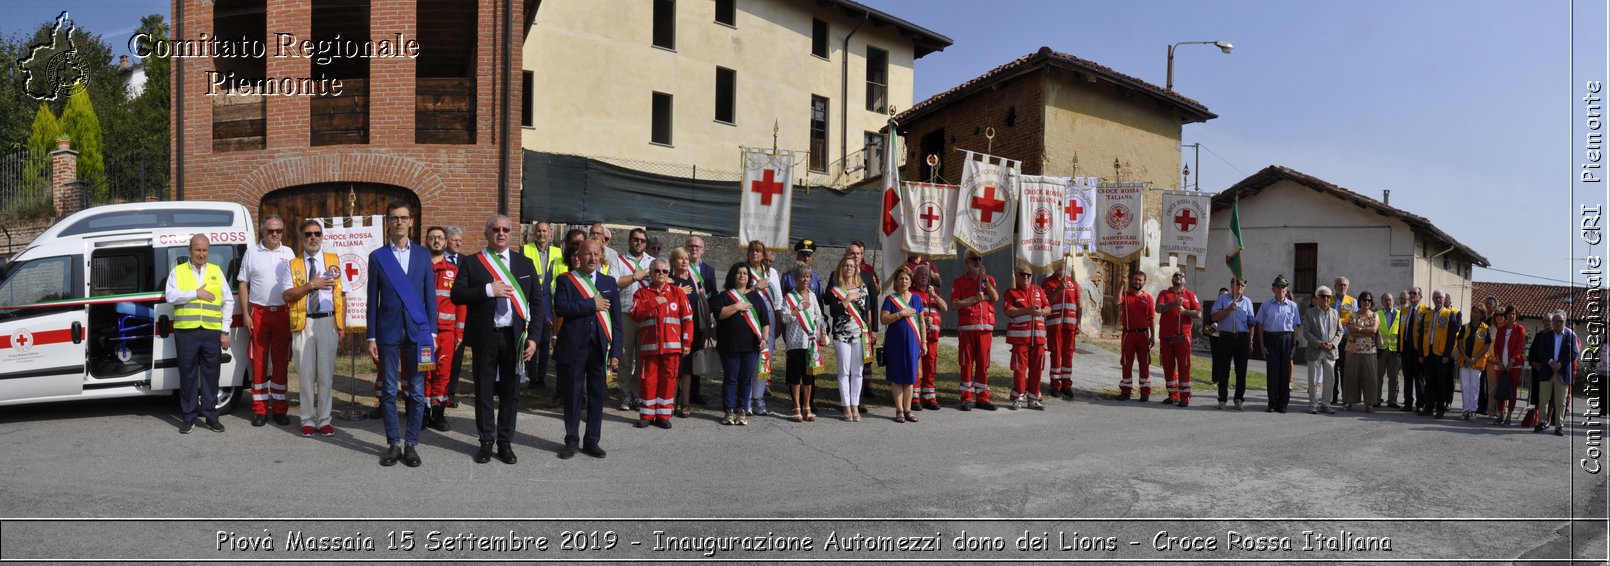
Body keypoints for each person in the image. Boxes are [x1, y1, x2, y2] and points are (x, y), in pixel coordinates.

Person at [451, 215, 544, 464]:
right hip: (486, 337)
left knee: (510, 391)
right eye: (495, 229)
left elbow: (537, 302)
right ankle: (485, 441)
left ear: (511, 233)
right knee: (483, 390)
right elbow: (457, 294)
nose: (501, 233)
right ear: (487, 234)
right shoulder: (472, 263)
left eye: (505, 230)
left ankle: (504, 441)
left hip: (515, 338)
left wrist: (534, 338)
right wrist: (487, 290)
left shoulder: (524, 264)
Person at [367, 201, 436, 467]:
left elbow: (430, 296)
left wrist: (434, 332)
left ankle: (412, 444)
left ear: (411, 222)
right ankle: (393, 444)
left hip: (419, 333)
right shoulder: (377, 257)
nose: (399, 222)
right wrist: (371, 336)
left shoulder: (422, 255)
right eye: (394, 218)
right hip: (388, 332)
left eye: (403, 218)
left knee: (417, 392)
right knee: (388, 391)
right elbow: (373, 299)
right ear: (388, 222)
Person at [553, 238, 621, 458]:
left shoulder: (609, 283)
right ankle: (571, 440)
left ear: (600, 257)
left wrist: (616, 352)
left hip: (600, 347)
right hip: (574, 346)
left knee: (597, 395)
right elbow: (561, 308)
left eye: (596, 254)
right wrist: (591, 304)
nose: (592, 258)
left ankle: (592, 440)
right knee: (573, 396)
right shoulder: (566, 281)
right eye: (588, 254)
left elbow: (617, 321)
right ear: (578, 257)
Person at [278, 219, 345, 437]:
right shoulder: (293, 264)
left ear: (322, 236)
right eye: (308, 234)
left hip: (327, 321)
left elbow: (342, 295)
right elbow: (287, 295)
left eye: (316, 233)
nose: (313, 238)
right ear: (301, 238)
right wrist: (311, 285)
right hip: (303, 322)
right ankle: (307, 418)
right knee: (305, 374)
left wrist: (341, 324)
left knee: (325, 374)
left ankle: (324, 419)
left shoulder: (333, 261)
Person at [166, 234, 233, 434]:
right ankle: (188, 417)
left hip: (212, 333)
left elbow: (228, 301)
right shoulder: (177, 272)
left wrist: (225, 331)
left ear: (208, 251)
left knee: (211, 375)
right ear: (190, 250)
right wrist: (196, 293)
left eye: (205, 250)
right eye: (198, 249)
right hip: (187, 332)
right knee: (187, 375)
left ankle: (212, 417)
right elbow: (170, 296)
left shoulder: (216, 271)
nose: (201, 254)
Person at [238, 214, 295, 427]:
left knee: (281, 362)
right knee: (259, 362)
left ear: (283, 232)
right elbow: (243, 283)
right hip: (259, 313)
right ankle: (259, 410)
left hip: (282, 313)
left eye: (278, 231)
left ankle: (279, 409)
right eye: (270, 230)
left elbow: (296, 284)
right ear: (262, 231)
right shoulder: (252, 253)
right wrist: (245, 313)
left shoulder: (288, 253)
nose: (274, 234)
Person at [630, 258, 693, 429]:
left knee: (668, 381)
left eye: (665, 271)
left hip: (672, 348)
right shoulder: (642, 293)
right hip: (649, 347)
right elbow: (634, 314)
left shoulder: (677, 293)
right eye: (657, 271)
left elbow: (688, 319)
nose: (661, 274)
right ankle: (647, 415)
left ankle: (663, 415)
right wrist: (652, 303)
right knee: (648, 381)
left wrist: (687, 342)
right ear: (650, 273)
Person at [420, 226, 465, 432]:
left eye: (440, 238)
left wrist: (459, 332)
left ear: (445, 242)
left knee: (443, 373)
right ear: (426, 241)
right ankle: (422, 412)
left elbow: (461, 304)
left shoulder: (455, 272)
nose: (436, 241)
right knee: (424, 372)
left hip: (447, 333)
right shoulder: (419, 268)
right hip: (423, 332)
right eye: (432, 238)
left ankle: (438, 413)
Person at [714, 262, 769, 425]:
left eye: (745, 273)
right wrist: (737, 306)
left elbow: (765, 321)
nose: (742, 275)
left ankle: (742, 409)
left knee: (745, 379)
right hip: (729, 345)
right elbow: (718, 314)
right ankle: (728, 411)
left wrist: (764, 339)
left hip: (751, 346)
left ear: (749, 277)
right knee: (731, 378)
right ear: (732, 276)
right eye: (738, 273)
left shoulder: (756, 297)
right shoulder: (724, 296)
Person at [611, 228, 656, 412]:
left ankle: (637, 394)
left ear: (646, 244)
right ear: (630, 241)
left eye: (642, 240)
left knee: (642, 358)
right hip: (625, 314)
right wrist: (634, 277)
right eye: (635, 239)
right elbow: (612, 283)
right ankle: (626, 393)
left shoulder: (652, 262)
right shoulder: (618, 261)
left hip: (646, 316)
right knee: (624, 357)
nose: (639, 243)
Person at [950, 249, 999, 410]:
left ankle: (983, 398)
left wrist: (984, 280)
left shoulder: (989, 279)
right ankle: (966, 398)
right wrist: (972, 299)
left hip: (985, 329)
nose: (977, 262)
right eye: (974, 260)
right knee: (966, 363)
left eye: (979, 259)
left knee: (983, 365)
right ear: (967, 263)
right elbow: (954, 304)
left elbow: (995, 297)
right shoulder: (959, 281)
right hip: (967, 328)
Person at [825, 256, 873, 421]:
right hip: (841, 334)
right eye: (845, 265)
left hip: (859, 334)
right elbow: (833, 311)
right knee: (844, 371)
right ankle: (846, 406)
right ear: (841, 268)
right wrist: (846, 300)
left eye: (852, 266)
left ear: (856, 268)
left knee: (858, 372)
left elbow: (867, 311)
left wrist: (869, 332)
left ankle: (855, 405)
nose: (849, 268)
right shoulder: (836, 288)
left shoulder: (863, 287)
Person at [779, 265, 827, 423]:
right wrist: (797, 309)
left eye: (808, 276)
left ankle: (807, 407)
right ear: (796, 279)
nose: (805, 279)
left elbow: (819, 317)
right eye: (802, 276)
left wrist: (823, 332)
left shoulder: (813, 296)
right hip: (795, 342)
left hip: (810, 343)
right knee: (795, 376)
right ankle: (796, 406)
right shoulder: (789, 297)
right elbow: (784, 318)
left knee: (809, 377)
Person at [668, 247, 710, 418]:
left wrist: (708, 322)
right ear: (673, 261)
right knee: (674, 367)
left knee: (687, 368)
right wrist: (678, 291)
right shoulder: (670, 280)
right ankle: (670, 402)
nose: (684, 261)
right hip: (673, 329)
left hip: (691, 329)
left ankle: (685, 403)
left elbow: (703, 299)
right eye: (680, 258)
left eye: (686, 258)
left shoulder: (694, 278)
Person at [522, 221, 564, 390]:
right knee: (532, 339)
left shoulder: (557, 252)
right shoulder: (526, 250)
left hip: (549, 300)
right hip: (531, 298)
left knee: (546, 341)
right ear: (534, 233)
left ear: (550, 233)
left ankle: (542, 377)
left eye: (544, 231)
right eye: (538, 231)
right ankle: (532, 377)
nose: (541, 234)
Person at [881, 266, 925, 422]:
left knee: (910, 376)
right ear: (896, 281)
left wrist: (924, 343)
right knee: (897, 376)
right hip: (895, 343)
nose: (904, 281)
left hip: (913, 343)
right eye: (901, 278)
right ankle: (899, 410)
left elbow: (921, 322)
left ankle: (908, 410)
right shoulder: (890, 299)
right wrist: (900, 314)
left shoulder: (917, 299)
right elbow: (883, 319)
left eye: (906, 278)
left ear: (911, 281)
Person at [743, 240, 783, 415]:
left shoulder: (772, 272)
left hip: (769, 321)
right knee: (750, 362)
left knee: (764, 360)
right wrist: (755, 287)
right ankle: (746, 398)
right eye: (752, 251)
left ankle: (758, 397)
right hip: (750, 320)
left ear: (763, 254)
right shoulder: (742, 270)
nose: (755, 254)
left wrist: (779, 319)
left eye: (758, 251)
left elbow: (778, 299)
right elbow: (737, 293)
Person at [1003, 262, 1049, 410]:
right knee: (1020, 370)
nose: (1026, 278)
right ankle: (1018, 397)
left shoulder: (1038, 289)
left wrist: (1041, 311)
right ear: (1016, 276)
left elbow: (1048, 308)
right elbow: (1009, 310)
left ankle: (1034, 398)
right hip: (1020, 339)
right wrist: (1028, 310)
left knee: (1037, 369)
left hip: (1039, 338)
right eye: (1022, 274)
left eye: (1029, 275)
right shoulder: (1011, 292)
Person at [1253, 275, 1301, 413]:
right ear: (1273, 289)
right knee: (1273, 373)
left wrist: (1294, 345)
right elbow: (1260, 325)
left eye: (1283, 287)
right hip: (1271, 339)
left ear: (1286, 290)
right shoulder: (1266, 305)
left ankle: (1283, 404)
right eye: (1278, 287)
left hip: (1287, 339)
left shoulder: (1292, 306)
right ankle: (1272, 403)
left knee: (1285, 373)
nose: (1280, 289)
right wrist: (1262, 345)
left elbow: (1296, 327)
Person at [1529, 310, 1578, 436]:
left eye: (1560, 321)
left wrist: (1560, 363)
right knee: (1543, 399)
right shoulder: (1546, 335)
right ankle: (1542, 422)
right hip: (1547, 371)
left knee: (1561, 401)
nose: (1557, 324)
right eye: (1555, 321)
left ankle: (1558, 426)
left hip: (1562, 372)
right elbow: (1541, 351)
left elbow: (1573, 353)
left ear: (1565, 322)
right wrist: (1551, 362)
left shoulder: (1570, 335)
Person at [845, 241, 881, 410]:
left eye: (859, 254)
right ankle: (846, 401)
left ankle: (858, 400)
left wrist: (874, 329)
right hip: (845, 328)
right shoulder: (841, 273)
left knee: (861, 364)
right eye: (853, 254)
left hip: (863, 328)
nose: (856, 256)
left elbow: (873, 303)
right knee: (847, 367)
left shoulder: (867, 275)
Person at [1157, 270, 1201, 407]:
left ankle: (1185, 397)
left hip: (1183, 337)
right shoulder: (1164, 293)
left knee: (1184, 367)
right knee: (1168, 367)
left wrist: (1185, 311)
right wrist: (1174, 303)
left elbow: (1198, 313)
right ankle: (1173, 395)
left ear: (1184, 280)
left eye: (1181, 276)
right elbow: (1158, 308)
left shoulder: (1190, 295)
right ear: (1172, 279)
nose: (1178, 277)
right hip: (1166, 337)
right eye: (1176, 275)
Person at [684, 236, 719, 407]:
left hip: (701, 319)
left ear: (703, 249)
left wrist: (709, 319)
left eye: (697, 246)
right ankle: (680, 392)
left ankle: (695, 392)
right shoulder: (679, 266)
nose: (694, 249)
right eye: (690, 246)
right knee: (683, 356)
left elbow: (713, 294)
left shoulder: (709, 270)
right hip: (683, 318)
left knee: (697, 355)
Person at [1210, 278, 1254, 410]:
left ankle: (1239, 399)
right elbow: (1214, 317)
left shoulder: (1247, 302)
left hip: (1242, 337)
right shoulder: (1223, 299)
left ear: (1244, 287)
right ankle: (1222, 399)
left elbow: (1251, 323)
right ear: (1231, 285)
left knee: (1241, 370)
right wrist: (1228, 309)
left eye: (1242, 285)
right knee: (1223, 369)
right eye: (1237, 284)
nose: (1240, 286)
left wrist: (1251, 340)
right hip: (1226, 336)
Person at [1418, 289, 1462, 418]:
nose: (1438, 299)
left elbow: (1451, 337)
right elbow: (1421, 335)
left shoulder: (1450, 314)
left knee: (1441, 382)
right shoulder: (1427, 314)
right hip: (1428, 352)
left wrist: (1447, 355)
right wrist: (1420, 353)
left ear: (1444, 300)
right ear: (1432, 299)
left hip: (1441, 354)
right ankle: (1429, 407)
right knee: (1429, 382)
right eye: (1436, 297)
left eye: (1440, 297)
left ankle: (1440, 409)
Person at [1042, 260, 1080, 401]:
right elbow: (1047, 302)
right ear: (1053, 266)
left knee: (1068, 354)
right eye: (1057, 264)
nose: (1060, 267)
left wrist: (1079, 323)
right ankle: (1055, 385)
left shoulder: (1073, 282)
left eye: (1062, 264)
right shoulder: (1047, 282)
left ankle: (1066, 385)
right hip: (1055, 324)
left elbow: (1079, 305)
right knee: (1056, 353)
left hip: (1070, 325)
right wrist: (1058, 289)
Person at [1302, 286, 1343, 414]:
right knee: (1313, 379)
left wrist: (1333, 344)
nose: (1326, 299)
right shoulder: (1310, 313)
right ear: (1317, 298)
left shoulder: (1335, 313)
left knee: (1329, 379)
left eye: (1328, 297)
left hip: (1330, 351)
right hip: (1315, 350)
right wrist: (1320, 344)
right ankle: (1313, 404)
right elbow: (1306, 332)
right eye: (1323, 296)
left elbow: (1340, 331)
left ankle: (1326, 403)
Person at [1116, 270, 1156, 402]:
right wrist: (1121, 285)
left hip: (1143, 334)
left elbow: (1151, 318)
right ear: (1132, 280)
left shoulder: (1148, 298)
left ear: (1144, 282)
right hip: (1129, 334)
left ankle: (1145, 392)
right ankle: (1126, 391)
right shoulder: (1126, 296)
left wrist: (1152, 335)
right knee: (1126, 363)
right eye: (1135, 279)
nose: (1137, 282)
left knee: (1144, 363)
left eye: (1140, 280)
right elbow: (1116, 301)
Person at [911, 265, 946, 410]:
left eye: (927, 275)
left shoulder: (934, 292)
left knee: (930, 367)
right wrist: (923, 320)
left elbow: (944, 308)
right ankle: (915, 397)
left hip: (933, 337)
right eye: (921, 274)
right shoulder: (911, 293)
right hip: (917, 337)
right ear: (915, 277)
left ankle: (929, 396)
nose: (924, 277)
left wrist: (935, 296)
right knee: (916, 366)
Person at [1341, 291, 1379, 412]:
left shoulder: (1375, 316)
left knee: (1370, 378)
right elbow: (1351, 330)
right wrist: (1364, 331)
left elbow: (1373, 330)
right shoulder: (1353, 315)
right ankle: (1348, 401)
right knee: (1351, 377)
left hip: (1369, 351)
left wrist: (1360, 329)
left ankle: (1369, 403)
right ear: (1360, 301)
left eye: (1368, 300)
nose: (1366, 302)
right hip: (1352, 350)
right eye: (1364, 300)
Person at [1454, 303, 1491, 421]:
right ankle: (1465, 410)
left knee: (1474, 386)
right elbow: (1459, 343)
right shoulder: (1465, 327)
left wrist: (1474, 358)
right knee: (1465, 386)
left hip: (1477, 362)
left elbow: (1486, 346)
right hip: (1464, 361)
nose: (1474, 314)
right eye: (1473, 312)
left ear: (1482, 315)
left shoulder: (1485, 329)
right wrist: (1465, 357)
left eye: (1477, 312)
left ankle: (1473, 411)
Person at [1489, 306, 1526, 425]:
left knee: (1512, 390)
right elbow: (1497, 347)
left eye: (1514, 314)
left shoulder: (1520, 329)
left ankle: (1509, 416)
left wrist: (1511, 361)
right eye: (1509, 314)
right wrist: (1499, 361)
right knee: (1501, 389)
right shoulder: (1501, 329)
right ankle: (1500, 414)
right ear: (1506, 315)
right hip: (1501, 365)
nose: (1512, 316)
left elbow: (1519, 347)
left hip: (1514, 366)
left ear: (1516, 316)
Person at [444, 226, 468, 408]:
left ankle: (450, 393)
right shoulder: (435, 260)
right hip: (442, 316)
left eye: (460, 240)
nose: (458, 243)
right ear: (446, 241)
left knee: (456, 358)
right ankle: (437, 392)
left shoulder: (465, 262)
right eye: (455, 240)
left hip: (460, 317)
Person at [1400, 287, 1430, 413]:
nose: (1412, 295)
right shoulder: (1404, 310)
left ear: (1420, 297)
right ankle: (1407, 403)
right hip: (1406, 347)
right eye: (1410, 293)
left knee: (1419, 378)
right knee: (1407, 378)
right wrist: (1399, 349)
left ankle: (1420, 404)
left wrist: (1422, 352)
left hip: (1418, 349)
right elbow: (1400, 330)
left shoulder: (1426, 311)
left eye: (1414, 293)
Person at [1375, 291, 1403, 408]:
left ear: (1394, 301)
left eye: (1390, 300)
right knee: (1378, 376)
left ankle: (1392, 400)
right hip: (1381, 350)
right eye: (1385, 300)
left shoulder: (1400, 314)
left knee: (1394, 377)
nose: (1388, 302)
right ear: (1382, 302)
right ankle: (1376, 399)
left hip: (1394, 350)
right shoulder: (1377, 314)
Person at [1330, 277, 1356, 405]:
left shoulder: (1352, 301)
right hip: (1331, 340)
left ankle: (1346, 397)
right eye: (1340, 285)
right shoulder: (1329, 299)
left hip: (1346, 340)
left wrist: (1342, 333)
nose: (1342, 287)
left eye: (1345, 285)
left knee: (1346, 370)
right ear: (1335, 286)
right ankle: (1333, 396)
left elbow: (1354, 320)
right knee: (1332, 370)